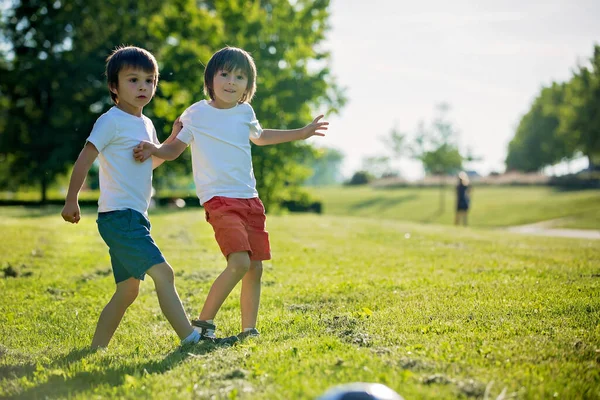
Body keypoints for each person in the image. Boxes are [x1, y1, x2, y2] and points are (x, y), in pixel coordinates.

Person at [133, 46, 329, 341]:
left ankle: (249, 330)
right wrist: (155, 149)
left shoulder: (245, 112)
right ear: (210, 79)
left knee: (255, 268)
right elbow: (174, 148)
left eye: (240, 77)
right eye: (224, 74)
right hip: (219, 200)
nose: (231, 81)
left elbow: (260, 137)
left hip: (250, 200)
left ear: (248, 86)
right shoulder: (196, 113)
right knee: (239, 262)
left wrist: (301, 133)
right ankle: (203, 323)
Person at [61, 46, 211, 348]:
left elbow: (152, 161)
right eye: (133, 80)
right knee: (164, 273)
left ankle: (96, 348)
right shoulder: (111, 120)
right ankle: (190, 338)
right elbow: (86, 156)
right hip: (119, 217)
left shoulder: (145, 124)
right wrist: (71, 199)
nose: (143, 86)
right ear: (114, 87)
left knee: (128, 290)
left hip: (134, 217)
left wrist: (166, 141)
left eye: (149, 80)